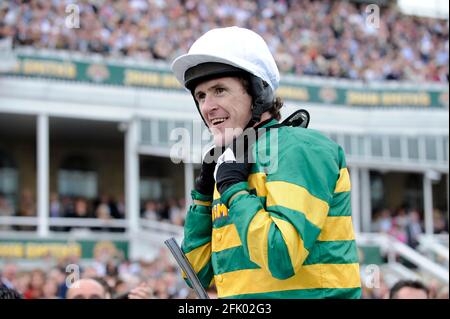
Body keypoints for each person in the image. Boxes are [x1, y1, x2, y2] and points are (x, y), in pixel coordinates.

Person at [171, 26, 361, 298]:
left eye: (219, 90)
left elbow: (280, 256)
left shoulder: (299, 147)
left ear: (259, 93)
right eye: (200, 96)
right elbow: (195, 274)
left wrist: (234, 190)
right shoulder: (230, 165)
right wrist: (202, 199)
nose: (207, 106)